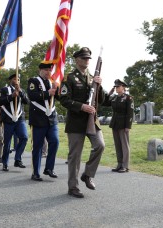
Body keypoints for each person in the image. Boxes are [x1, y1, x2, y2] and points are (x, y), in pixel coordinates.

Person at [59, 47, 105, 198]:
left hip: (92, 119)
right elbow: (64, 100)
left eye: (88, 58)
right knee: (75, 156)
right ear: (77, 60)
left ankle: (88, 174)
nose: (87, 60)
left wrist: (100, 85)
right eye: (84, 58)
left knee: (100, 145)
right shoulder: (69, 78)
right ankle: (73, 187)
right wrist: (82, 106)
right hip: (76, 121)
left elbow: (103, 100)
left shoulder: (92, 78)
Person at [27, 62, 59, 181]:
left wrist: (57, 89)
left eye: (49, 70)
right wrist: (47, 93)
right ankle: (35, 172)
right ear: (40, 70)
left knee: (55, 141)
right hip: (38, 119)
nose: (47, 72)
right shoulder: (33, 81)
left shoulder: (53, 82)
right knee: (38, 146)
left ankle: (49, 168)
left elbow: (59, 97)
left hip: (51, 119)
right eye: (45, 70)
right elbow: (32, 95)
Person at [0, 73, 29, 171]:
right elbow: (0, 101)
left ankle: (17, 159)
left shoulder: (22, 90)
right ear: (11, 80)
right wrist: (11, 96)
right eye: (15, 79)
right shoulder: (4, 90)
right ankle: (5, 163)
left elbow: (27, 101)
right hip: (8, 119)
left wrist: (20, 92)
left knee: (24, 137)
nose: (17, 81)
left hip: (20, 119)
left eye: (18, 79)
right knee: (7, 142)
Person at [103, 79, 134, 173]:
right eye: (115, 87)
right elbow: (104, 103)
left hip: (123, 124)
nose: (116, 88)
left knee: (125, 145)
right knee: (117, 145)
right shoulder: (114, 98)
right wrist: (109, 94)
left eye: (118, 86)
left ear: (123, 87)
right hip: (115, 124)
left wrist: (128, 126)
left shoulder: (129, 98)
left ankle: (125, 166)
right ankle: (119, 164)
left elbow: (130, 113)